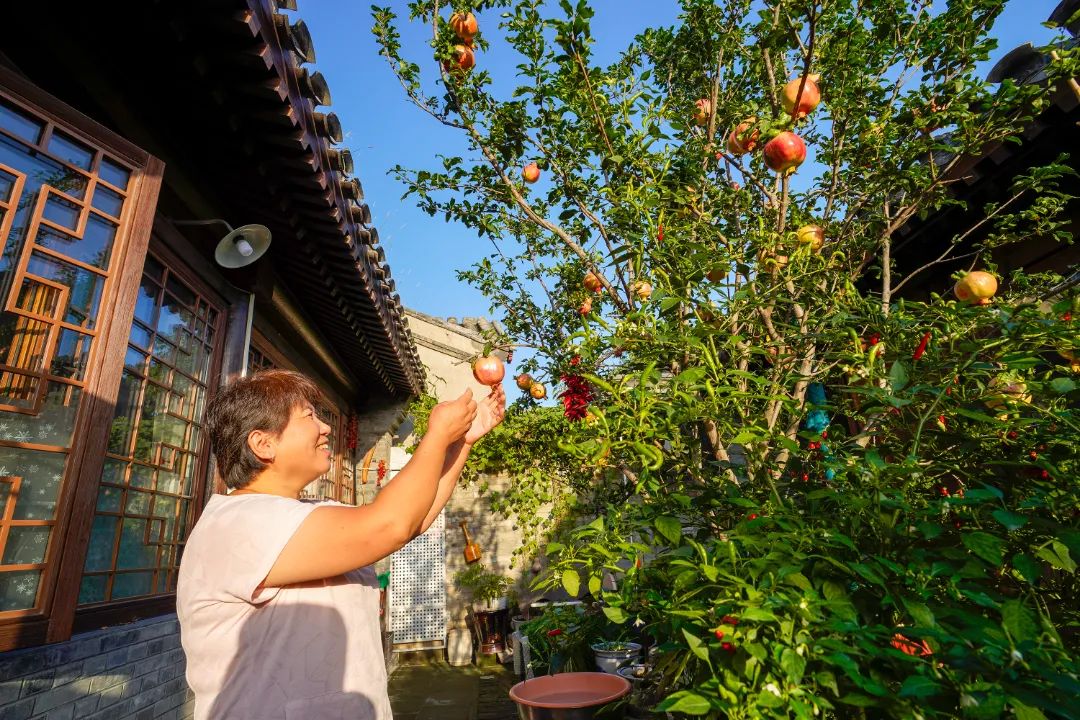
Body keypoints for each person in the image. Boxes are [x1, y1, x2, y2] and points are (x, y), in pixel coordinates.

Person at [177, 369, 505, 719]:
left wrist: (462, 442)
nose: (325, 427)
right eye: (309, 416)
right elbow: (390, 525)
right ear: (263, 444)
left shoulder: (302, 512)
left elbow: (411, 520)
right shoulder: (238, 522)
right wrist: (436, 436)